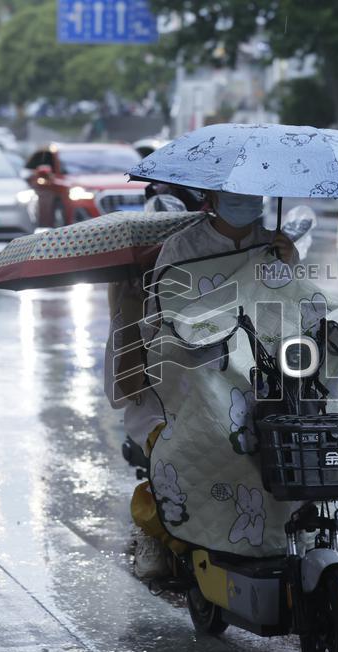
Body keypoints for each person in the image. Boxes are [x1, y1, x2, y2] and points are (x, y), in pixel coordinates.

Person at [108, 190, 298, 578]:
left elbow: (291, 307)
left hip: (260, 373)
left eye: (254, 193)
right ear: (213, 196)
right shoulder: (182, 248)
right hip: (191, 370)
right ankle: (157, 529)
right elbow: (167, 317)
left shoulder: (273, 243)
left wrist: (290, 263)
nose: (247, 200)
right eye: (236, 194)